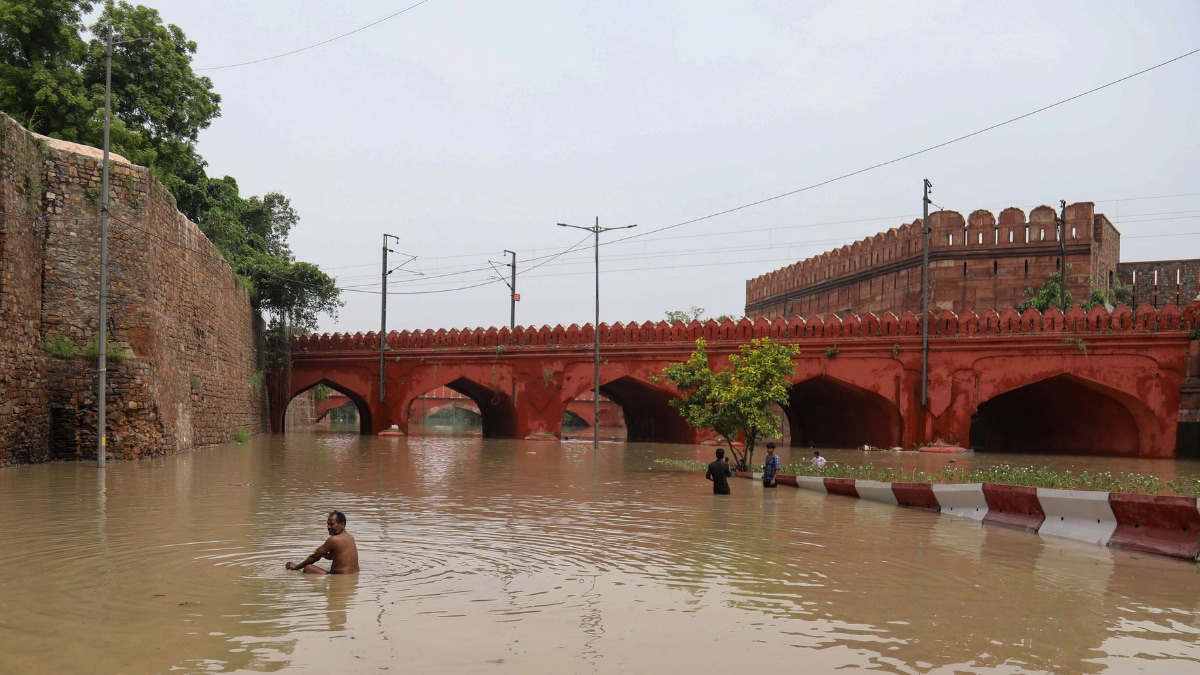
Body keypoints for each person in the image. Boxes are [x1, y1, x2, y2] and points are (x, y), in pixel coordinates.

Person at [286, 510, 360, 574]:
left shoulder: (333, 539)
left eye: (332, 524)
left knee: (308, 568)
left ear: (342, 525)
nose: (328, 527)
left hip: (339, 577)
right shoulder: (350, 537)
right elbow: (335, 557)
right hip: (353, 576)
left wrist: (296, 567)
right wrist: (324, 554)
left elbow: (314, 557)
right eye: (328, 524)